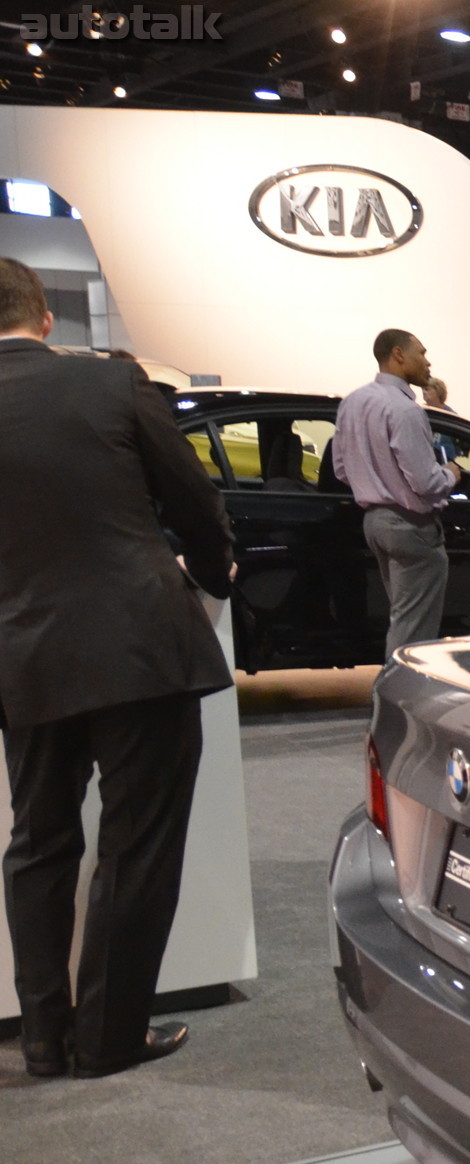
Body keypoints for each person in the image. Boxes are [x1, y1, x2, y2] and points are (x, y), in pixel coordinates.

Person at [0, 256, 235, 1077]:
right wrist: (212, 577)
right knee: (138, 845)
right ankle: (106, 1038)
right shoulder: (108, 381)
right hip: (140, 645)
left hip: (23, 658)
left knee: (37, 841)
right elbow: (192, 498)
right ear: (46, 318)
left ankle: (42, 1037)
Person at [332, 328, 460, 652]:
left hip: (374, 523)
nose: (428, 362)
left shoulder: (353, 402)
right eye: (422, 353)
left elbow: (342, 469)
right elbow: (426, 482)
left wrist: (376, 482)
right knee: (413, 632)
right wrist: (451, 474)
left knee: (403, 619)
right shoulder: (405, 410)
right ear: (398, 355)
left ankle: (396, 682)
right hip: (410, 526)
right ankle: (397, 685)